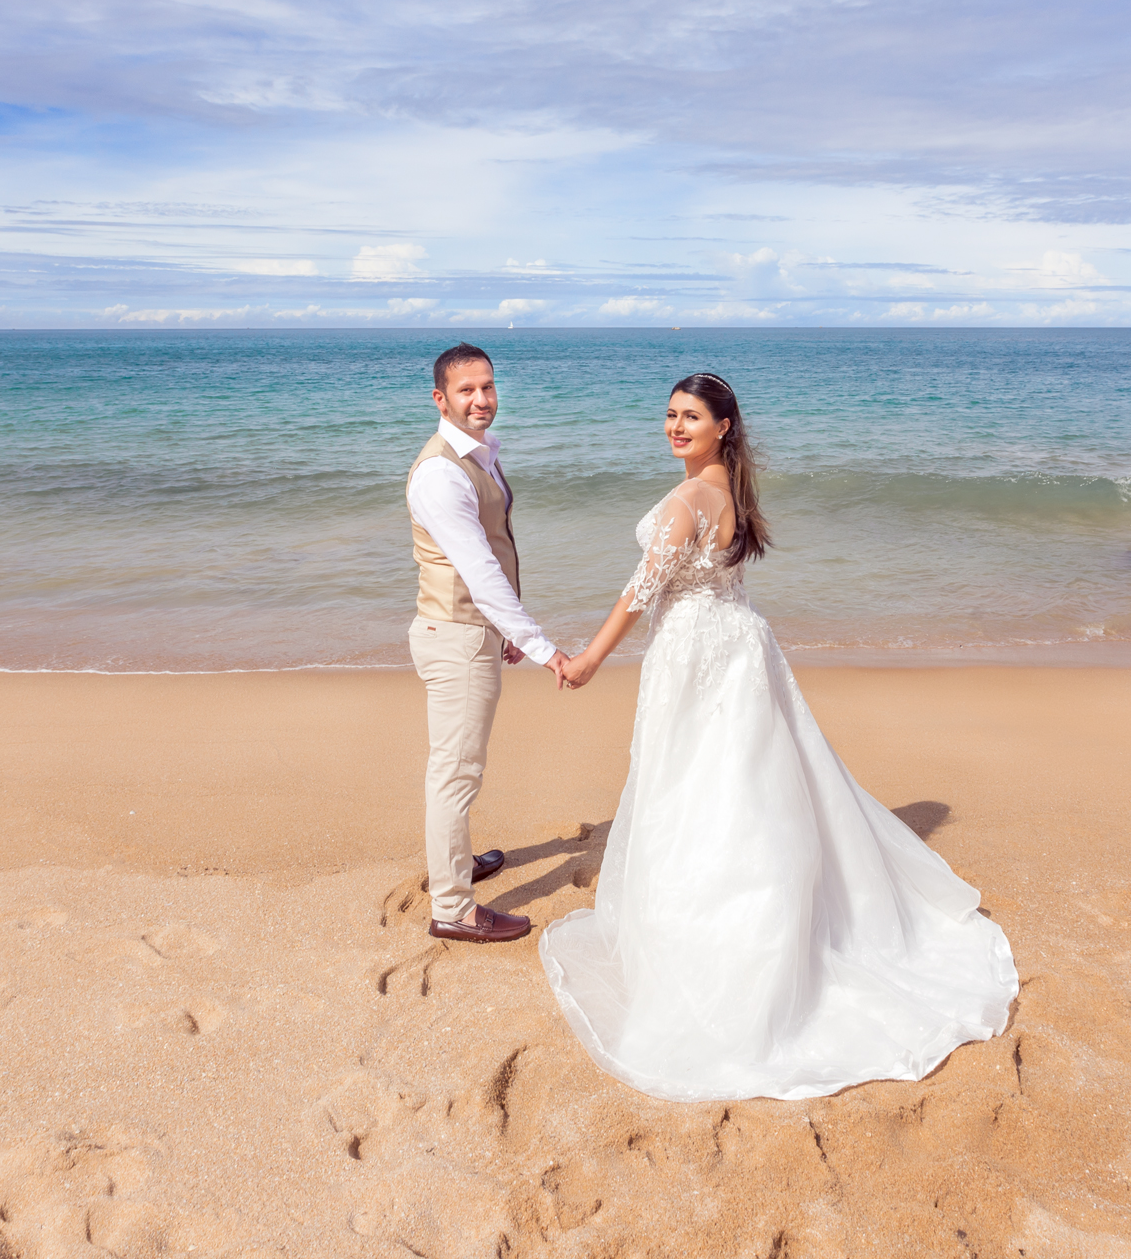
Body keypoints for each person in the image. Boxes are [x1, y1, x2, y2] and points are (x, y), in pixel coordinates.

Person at [539, 372, 1018, 1100]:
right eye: (669, 415)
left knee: (697, 788)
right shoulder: (729, 492)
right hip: (737, 646)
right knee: (745, 786)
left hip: (698, 656)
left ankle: (716, 946)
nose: (675, 427)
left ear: (722, 425)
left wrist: (588, 660)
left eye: (690, 417)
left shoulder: (688, 500)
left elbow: (643, 591)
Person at [407, 342, 570, 945]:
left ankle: (455, 861)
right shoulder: (442, 472)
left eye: (489, 387)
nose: (481, 400)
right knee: (456, 772)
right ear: (440, 398)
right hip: (455, 637)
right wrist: (540, 646)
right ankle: (452, 908)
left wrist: (502, 629)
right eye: (467, 390)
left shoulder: (478, 454)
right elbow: (480, 570)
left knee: (455, 767)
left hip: (466, 631)